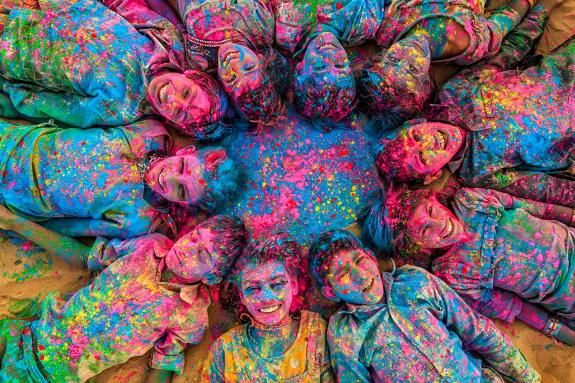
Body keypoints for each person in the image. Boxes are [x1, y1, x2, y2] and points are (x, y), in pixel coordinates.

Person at [0, 211, 248, 382]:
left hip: (50, 375)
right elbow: (88, 258)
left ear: (212, 277)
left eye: (202, 256)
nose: (187, 250)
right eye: (194, 238)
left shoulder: (190, 313)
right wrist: (16, 223)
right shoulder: (149, 246)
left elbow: (164, 363)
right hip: (26, 333)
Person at [374, 4, 575, 207]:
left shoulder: (453, 95)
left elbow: (507, 55)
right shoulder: (480, 175)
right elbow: (546, 188)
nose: (429, 142)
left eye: (416, 136)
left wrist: (539, 11)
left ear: (415, 123)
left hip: (565, 66)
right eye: (423, 157)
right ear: (431, 176)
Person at [308, 229, 541, 383]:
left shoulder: (413, 282)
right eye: (342, 275)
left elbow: (477, 329)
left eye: (359, 260)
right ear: (330, 291)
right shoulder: (344, 333)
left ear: (370, 256)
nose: (360, 276)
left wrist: (528, 378)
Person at [367, 185, 575, 346]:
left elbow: (532, 207)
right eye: (425, 231)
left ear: (434, 200)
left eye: (430, 210)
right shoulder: (452, 272)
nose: (440, 224)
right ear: (418, 248)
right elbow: (513, 306)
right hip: (567, 295)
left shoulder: (470, 201)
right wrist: (559, 331)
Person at [0, 0, 231, 140]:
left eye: (179, 113)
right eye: (186, 93)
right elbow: (125, 6)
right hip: (60, 7)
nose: (172, 100)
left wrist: (10, 89)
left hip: (17, 51)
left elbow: (53, 106)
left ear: (172, 123)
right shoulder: (167, 42)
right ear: (190, 76)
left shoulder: (122, 109)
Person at [0, 118, 241, 238]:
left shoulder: (139, 219)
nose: (168, 178)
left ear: (185, 205)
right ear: (185, 151)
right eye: (181, 167)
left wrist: (16, 222)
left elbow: (73, 227)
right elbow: (84, 118)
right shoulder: (150, 132)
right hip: (17, 141)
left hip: (15, 197)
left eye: (181, 190)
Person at [359, 0, 565, 130]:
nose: (408, 53)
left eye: (393, 60)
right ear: (426, 82)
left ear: (380, 57)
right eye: (412, 70)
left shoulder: (384, 29)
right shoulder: (469, 41)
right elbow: (510, 16)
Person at [202, 233, 334, 382]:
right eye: (252, 288)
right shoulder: (225, 350)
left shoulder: (317, 333)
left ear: (294, 285)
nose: (266, 298)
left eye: (277, 284)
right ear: (242, 296)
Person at [172, 0, 288, 128]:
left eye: (232, 78)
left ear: (221, 82)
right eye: (249, 67)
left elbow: (174, 16)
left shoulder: (200, 59)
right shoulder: (262, 28)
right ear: (261, 58)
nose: (234, 63)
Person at [288, 0, 385, 124]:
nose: (330, 55)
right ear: (350, 66)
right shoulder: (365, 23)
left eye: (319, 66)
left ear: (299, 69)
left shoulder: (288, 29)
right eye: (339, 65)